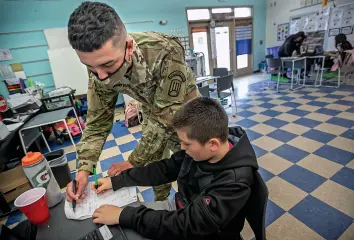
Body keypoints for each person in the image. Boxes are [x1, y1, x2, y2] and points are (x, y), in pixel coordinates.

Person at [66, 1, 200, 203]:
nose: (100, 76)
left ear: (128, 47)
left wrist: (132, 162)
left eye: (108, 65)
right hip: (153, 116)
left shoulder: (163, 51)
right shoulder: (98, 64)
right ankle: (162, 203)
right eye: (90, 67)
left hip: (188, 121)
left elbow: (165, 118)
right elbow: (97, 123)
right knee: (156, 167)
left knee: (193, 172)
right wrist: (84, 170)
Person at [90, 97, 260, 240]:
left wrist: (123, 215)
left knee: (123, 226)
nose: (182, 148)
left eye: (186, 143)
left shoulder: (235, 182)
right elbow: (164, 169)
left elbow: (187, 224)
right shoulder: (201, 150)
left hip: (200, 230)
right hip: (181, 209)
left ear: (213, 144)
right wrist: (117, 180)